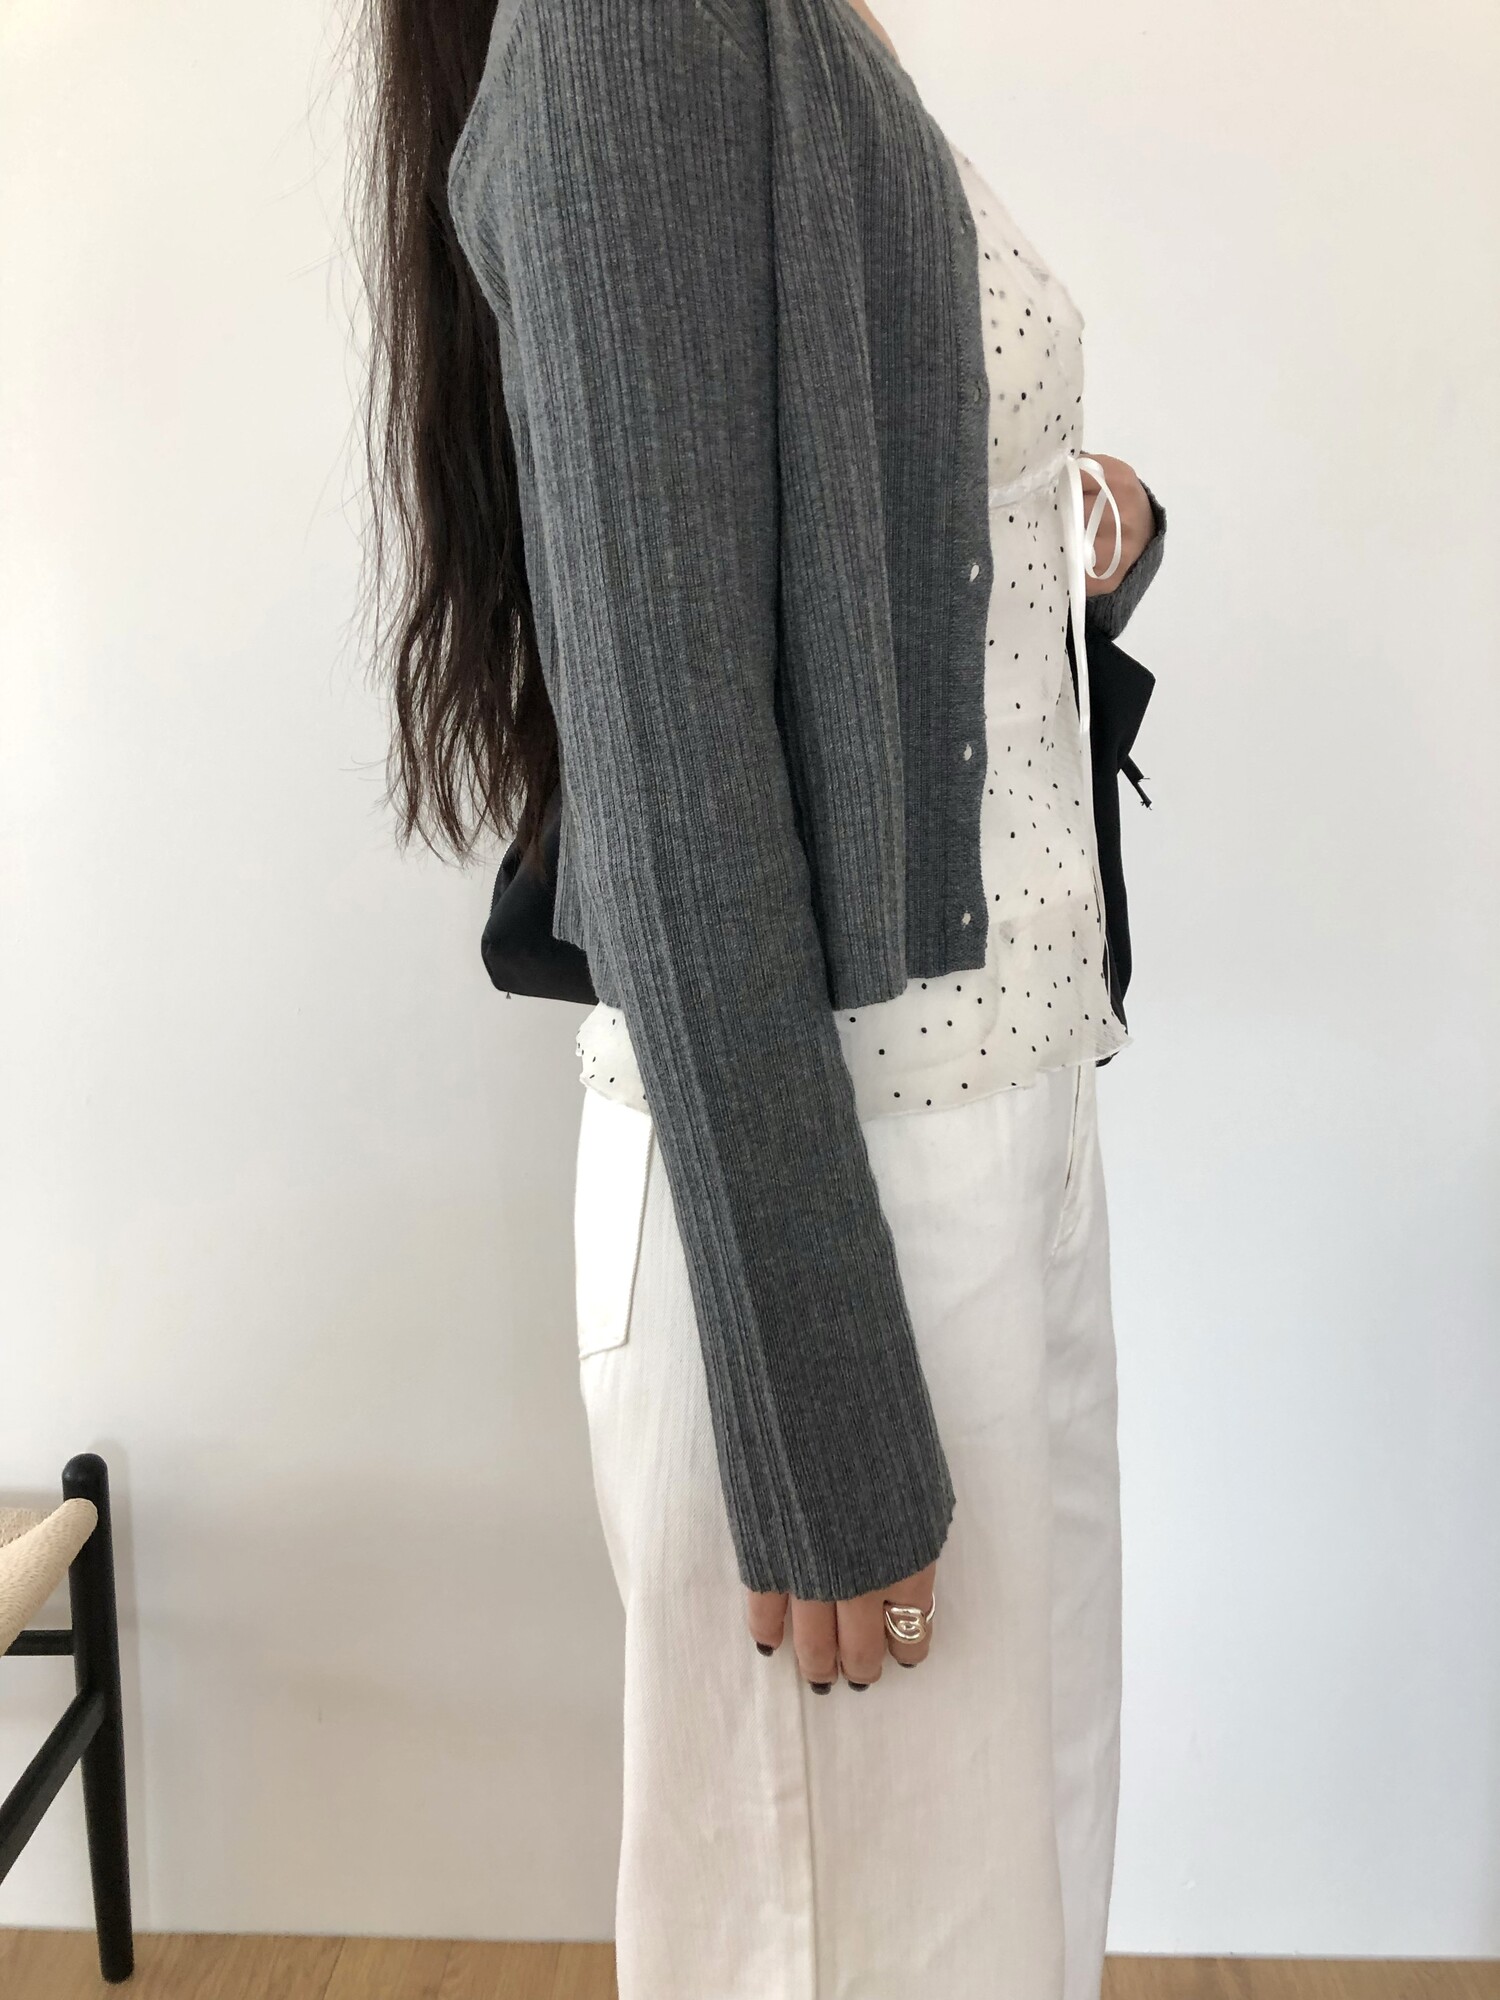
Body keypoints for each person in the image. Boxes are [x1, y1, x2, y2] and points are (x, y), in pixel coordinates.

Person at [352, 0, 1167, 1994]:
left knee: (1007, 1907)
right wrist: (818, 1406)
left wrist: (1060, 526)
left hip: (1000, 1106)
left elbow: (836, 537)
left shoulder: (797, 28)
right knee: (863, 1944)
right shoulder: (634, 27)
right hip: (833, 1167)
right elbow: (668, 746)